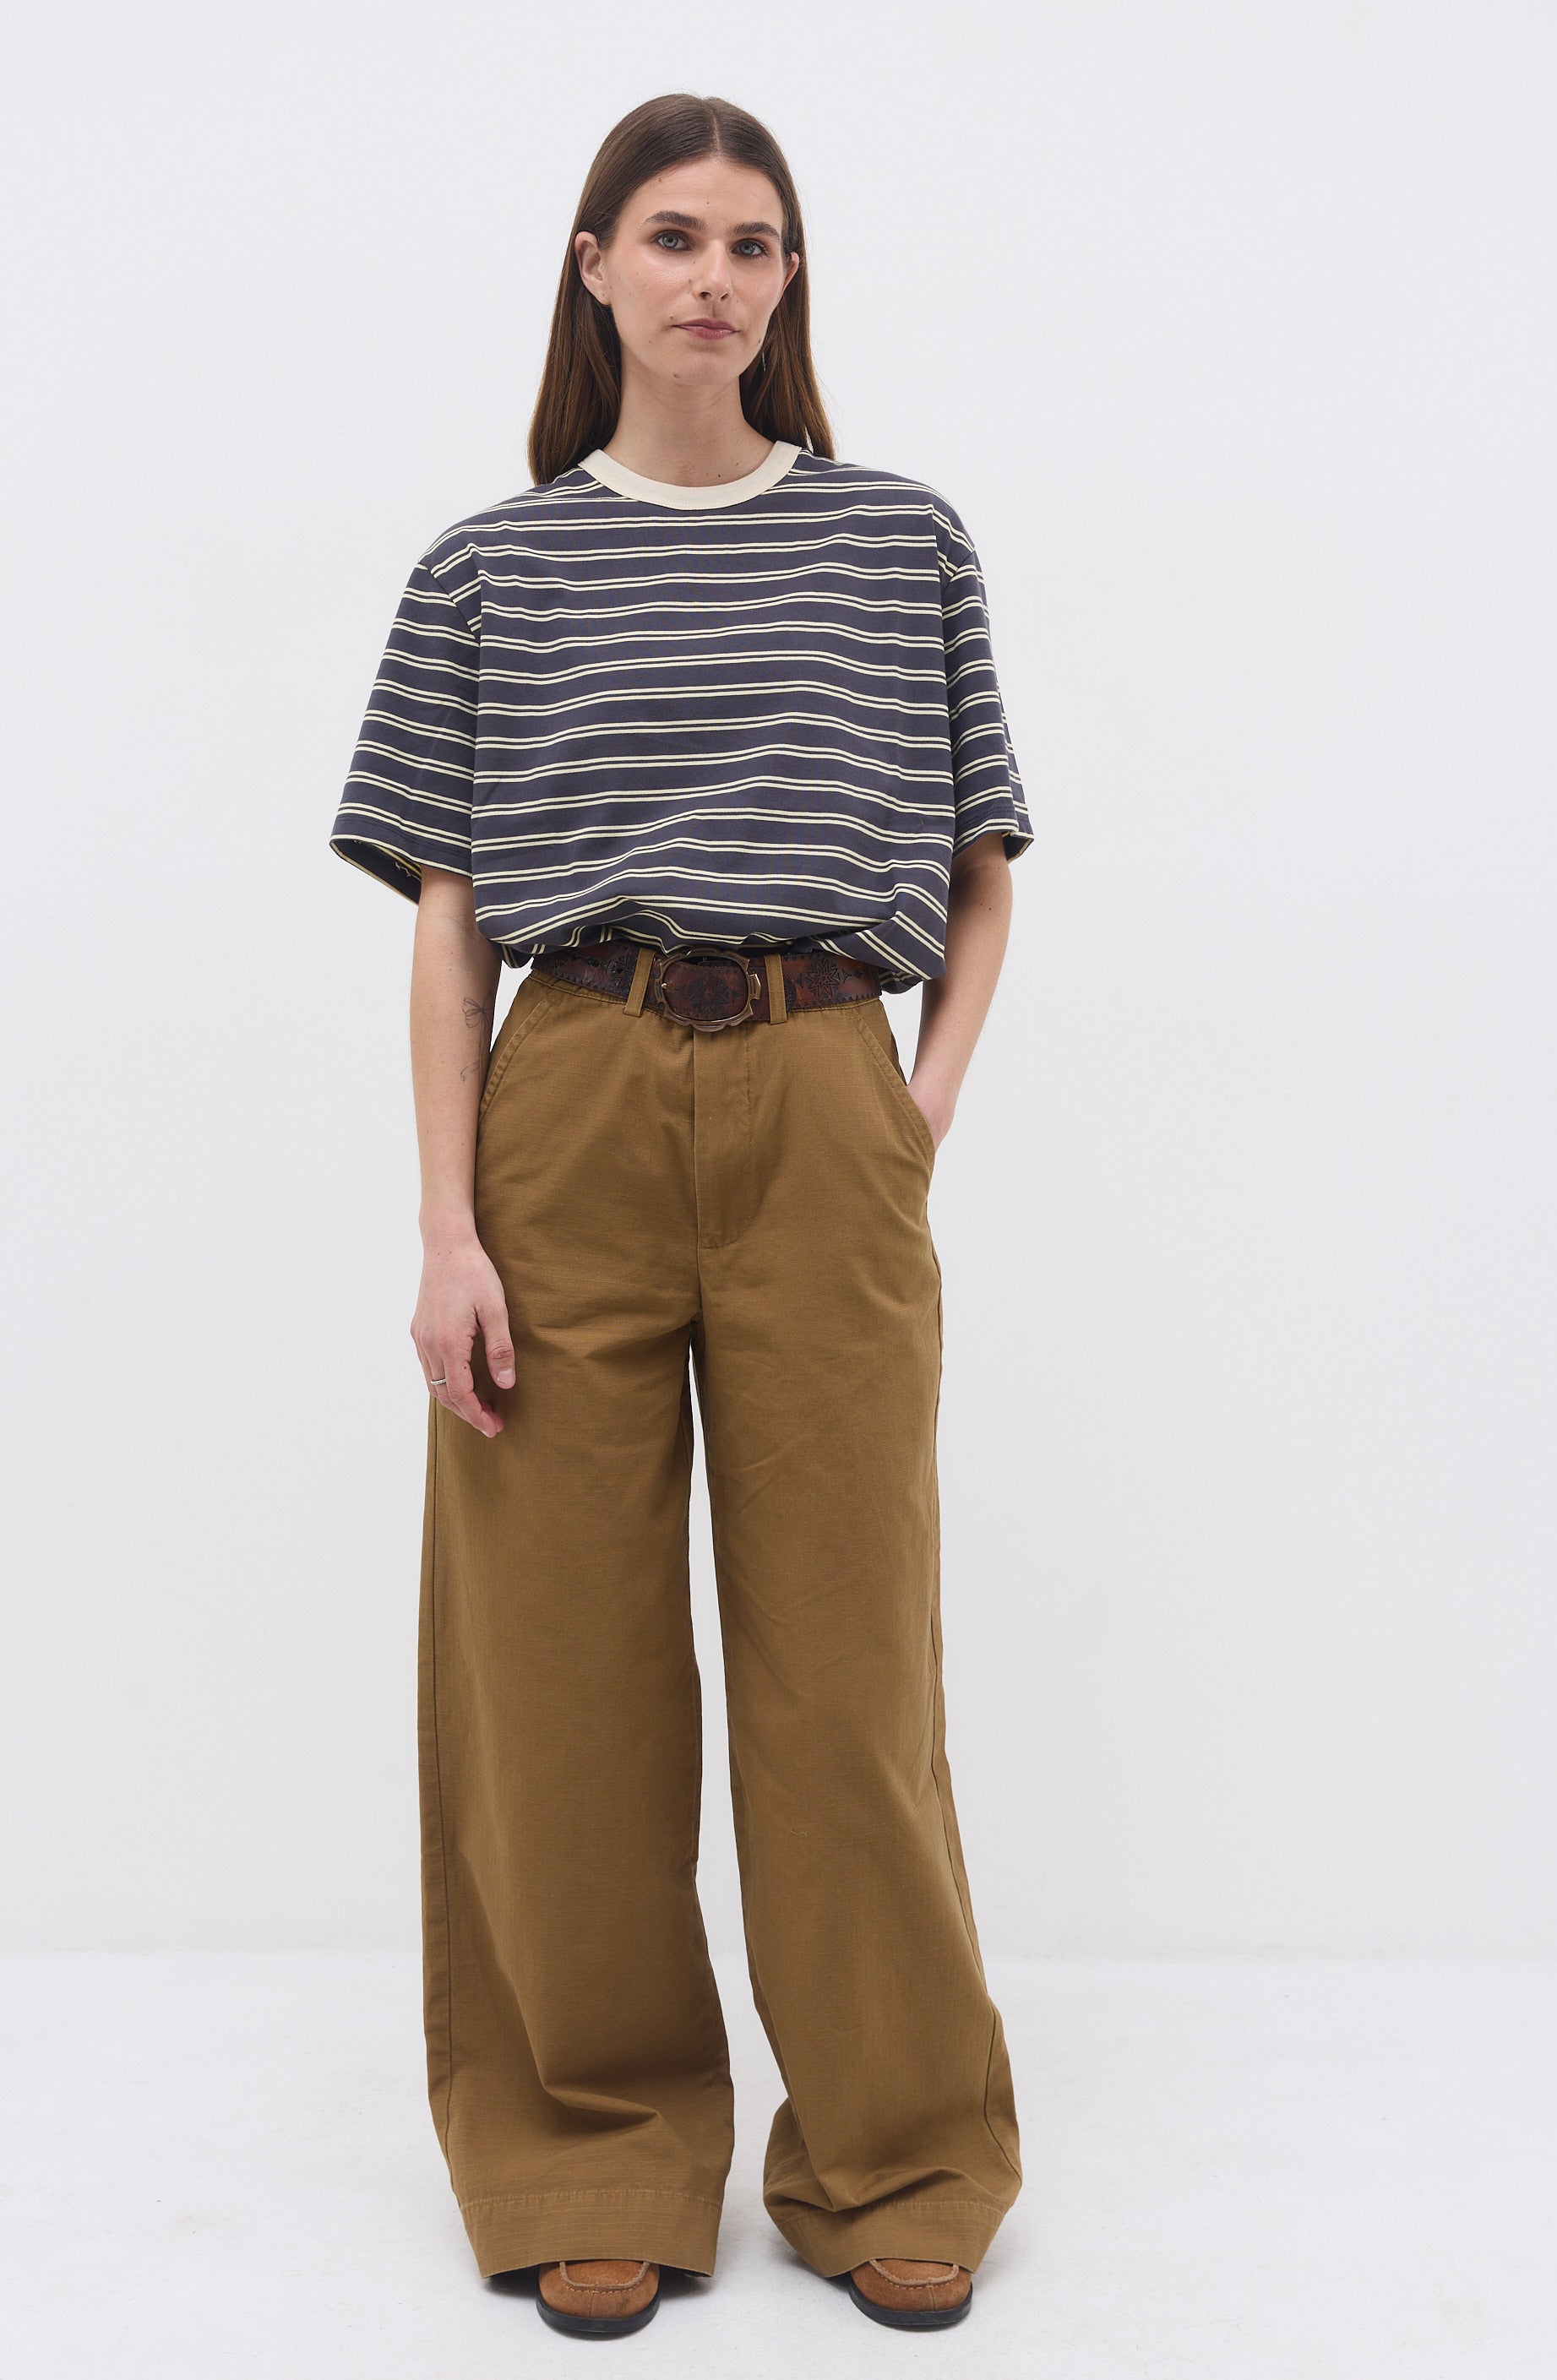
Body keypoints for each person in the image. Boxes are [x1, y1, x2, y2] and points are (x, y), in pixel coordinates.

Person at [329, 90, 1033, 2340]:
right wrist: (447, 1228)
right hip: (573, 1095)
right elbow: (449, 925)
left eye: (754, 242)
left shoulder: (899, 540)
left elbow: (982, 867)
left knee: (849, 1662)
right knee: (557, 1670)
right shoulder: (488, 568)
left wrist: (908, 1115)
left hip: (830, 1090)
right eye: (672, 236)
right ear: (593, 266)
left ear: (787, 280)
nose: (715, 276)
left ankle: (896, 2146)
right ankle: (592, 2146)